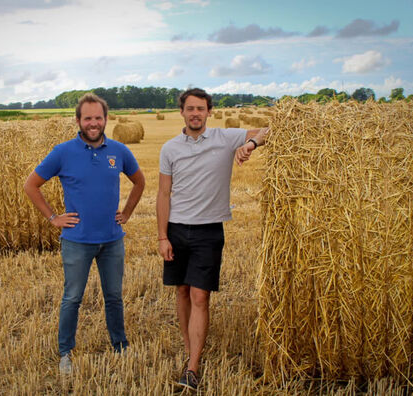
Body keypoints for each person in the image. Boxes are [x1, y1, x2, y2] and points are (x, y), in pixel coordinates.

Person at [24, 93, 145, 375]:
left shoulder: (119, 150)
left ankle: (120, 345)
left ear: (106, 119)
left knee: (114, 297)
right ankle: (65, 352)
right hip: (77, 242)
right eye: (87, 118)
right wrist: (53, 218)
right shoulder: (62, 152)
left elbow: (139, 181)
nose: (93, 123)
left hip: (112, 240)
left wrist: (126, 213)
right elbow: (31, 185)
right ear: (78, 120)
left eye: (98, 118)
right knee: (72, 298)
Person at [156, 88, 269, 390]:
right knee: (181, 291)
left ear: (209, 112)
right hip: (177, 228)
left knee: (200, 296)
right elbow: (164, 193)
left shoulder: (226, 138)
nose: (195, 113)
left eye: (201, 109)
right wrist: (162, 236)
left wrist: (251, 144)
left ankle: (192, 366)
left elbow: (270, 129)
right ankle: (190, 347)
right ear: (182, 112)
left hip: (208, 231)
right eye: (190, 108)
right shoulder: (169, 148)